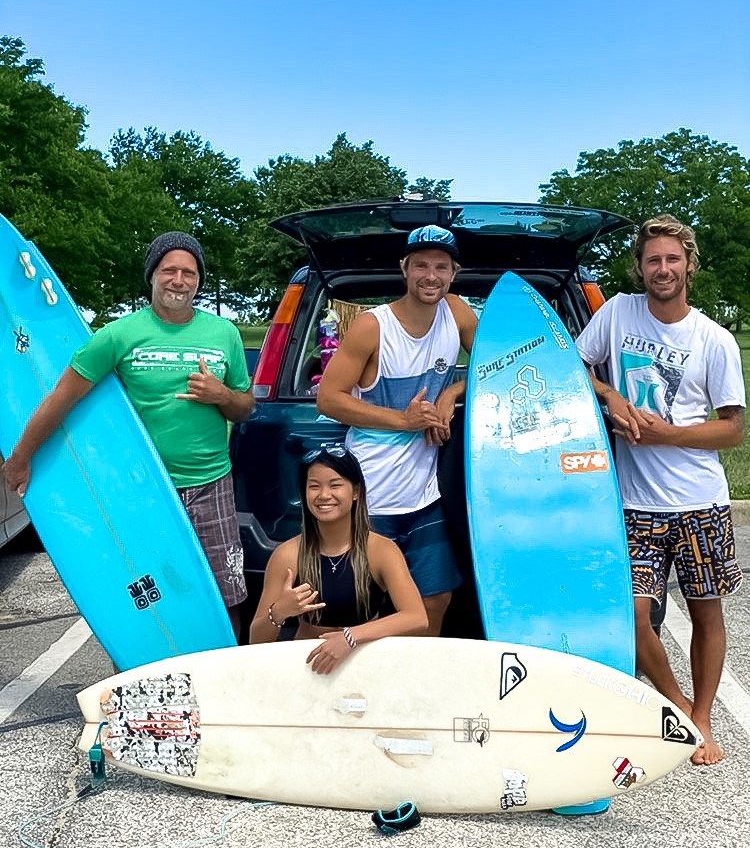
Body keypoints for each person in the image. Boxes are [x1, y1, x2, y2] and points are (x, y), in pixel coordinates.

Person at [2, 231, 254, 638]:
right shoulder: (119, 335)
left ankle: (226, 676)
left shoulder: (224, 334)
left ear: (199, 281)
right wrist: (21, 456)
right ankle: (136, 681)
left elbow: (246, 407)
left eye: (189, 272)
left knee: (227, 595)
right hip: (143, 491)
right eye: (168, 270)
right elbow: (62, 397)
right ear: (152, 276)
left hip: (211, 483)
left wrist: (223, 395)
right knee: (145, 599)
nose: (178, 280)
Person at [576, 214, 746, 765]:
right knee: (631, 612)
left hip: (700, 501)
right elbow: (572, 368)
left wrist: (667, 434)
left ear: (689, 265)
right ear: (640, 267)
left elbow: (733, 429)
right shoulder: (618, 312)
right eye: (653, 260)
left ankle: (702, 716)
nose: (663, 269)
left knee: (705, 613)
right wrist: (610, 396)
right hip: (632, 503)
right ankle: (676, 707)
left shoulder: (713, 339)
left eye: (673, 259)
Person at [315, 225, 477, 636]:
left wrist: (452, 393)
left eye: (441, 267)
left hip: (425, 495)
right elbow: (329, 399)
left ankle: (418, 688)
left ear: (454, 273)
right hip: (371, 496)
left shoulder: (457, 312)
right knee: (359, 606)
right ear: (404, 269)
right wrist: (405, 421)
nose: (431, 276)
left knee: (434, 599)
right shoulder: (373, 327)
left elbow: (493, 365)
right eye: (421, 265)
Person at [250, 446, 427, 673]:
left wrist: (350, 637)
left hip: (366, 659)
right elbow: (256, 641)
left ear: (355, 492)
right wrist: (280, 611)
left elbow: (416, 616)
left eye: (335, 485)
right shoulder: (288, 555)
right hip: (308, 664)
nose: (324, 495)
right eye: (314, 486)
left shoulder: (381, 550)